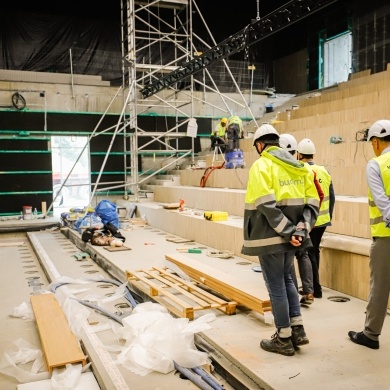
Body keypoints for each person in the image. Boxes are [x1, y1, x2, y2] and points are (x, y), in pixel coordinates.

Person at [242, 124, 320, 356]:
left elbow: (266, 205)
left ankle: (283, 338)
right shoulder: (299, 167)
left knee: (276, 284)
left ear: (259, 145)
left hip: (271, 237)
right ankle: (297, 329)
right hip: (293, 237)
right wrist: (300, 230)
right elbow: (312, 203)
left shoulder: (262, 165)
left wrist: (287, 231)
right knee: (287, 280)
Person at [348, 119, 390, 350]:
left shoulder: (376, 165)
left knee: (380, 286)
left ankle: (371, 334)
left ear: (375, 142)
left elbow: (384, 203)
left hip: (386, 237)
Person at [280, 134, 323, 305]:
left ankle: (293, 298)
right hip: (305, 220)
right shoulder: (309, 170)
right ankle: (310, 291)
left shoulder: (284, 171)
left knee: (289, 258)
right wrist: (309, 219)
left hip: (289, 221)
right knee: (304, 254)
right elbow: (320, 194)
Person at [297, 138, 335, 301]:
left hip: (310, 220)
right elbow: (332, 196)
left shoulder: (300, 170)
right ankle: (314, 286)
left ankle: (314, 288)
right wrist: (328, 216)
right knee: (314, 251)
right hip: (323, 219)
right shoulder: (324, 170)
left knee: (308, 253)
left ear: (298, 154)